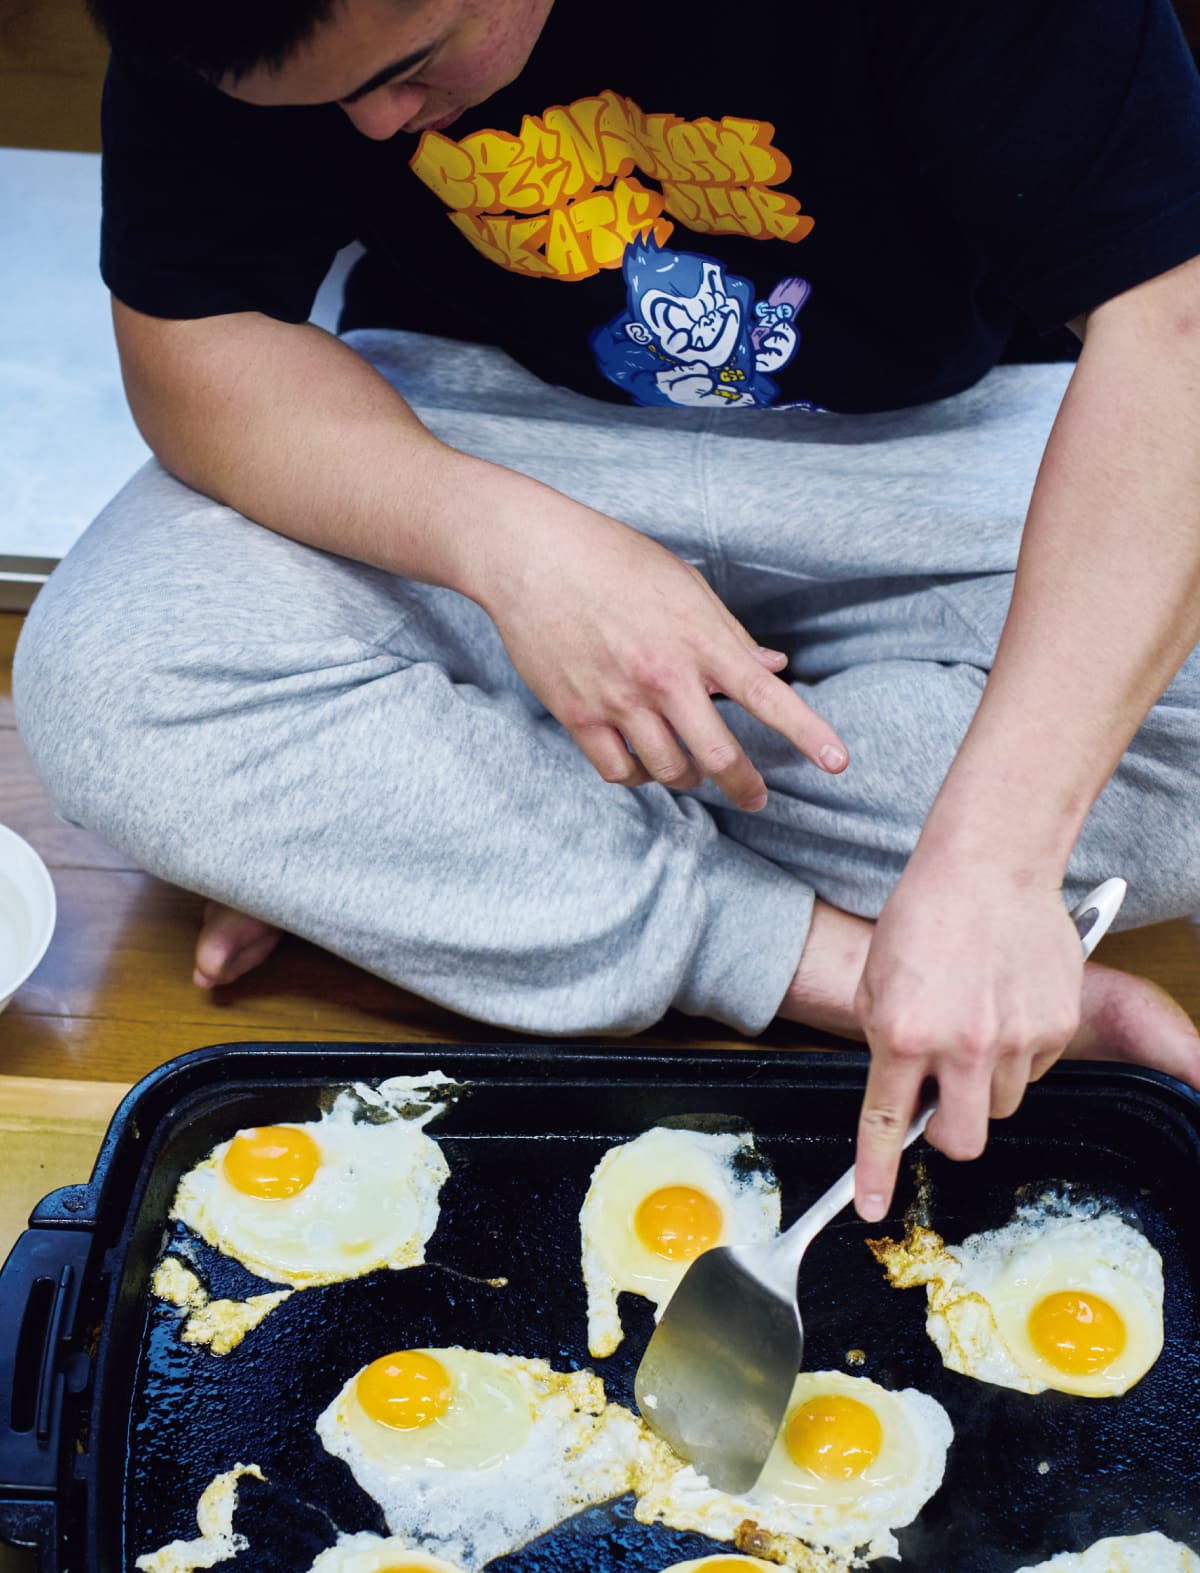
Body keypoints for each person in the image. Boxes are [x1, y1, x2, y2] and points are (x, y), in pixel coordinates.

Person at [14, 0, 1200, 1221]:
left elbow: (1174, 331)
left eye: (410, 68)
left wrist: (997, 863)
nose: (375, 124)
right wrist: (506, 546)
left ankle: (467, 849)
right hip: (474, 435)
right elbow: (191, 340)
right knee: (117, 683)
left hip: (946, 448)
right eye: (329, 102)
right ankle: (845, 967)